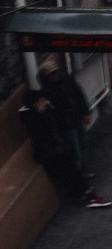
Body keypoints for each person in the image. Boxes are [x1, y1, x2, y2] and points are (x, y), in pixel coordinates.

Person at [19, 87, 111, 208]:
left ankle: (85, 193)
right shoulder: (32, 118)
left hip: (53, 149)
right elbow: (41, 134)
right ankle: (88, 195)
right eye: (40, 101)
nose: (43, 103)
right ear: (34, 104)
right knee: (68, 170)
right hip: (48, 152)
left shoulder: (39, 113)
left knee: (70, 167)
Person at [36, 58, 93, 186]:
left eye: (55, 73)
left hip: (76, 118)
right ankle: (79, 179)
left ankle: (82, 173)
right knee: (75, 151)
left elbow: (78, 94)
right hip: (66, 124)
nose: (54, 76)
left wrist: (85, 112)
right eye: (51, 74)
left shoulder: (66, 79)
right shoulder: (46, 91)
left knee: (82, 145)